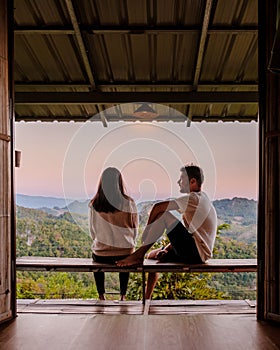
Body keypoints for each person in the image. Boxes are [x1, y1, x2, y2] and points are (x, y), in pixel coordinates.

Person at [116, 164, 217, 299]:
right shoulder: (201, 197)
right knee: (152, 256)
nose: (178, 182)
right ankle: (147, 298)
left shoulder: (194, 198)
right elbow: (191, 232)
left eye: (181, 179)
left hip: (196, 253)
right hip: (194, 251)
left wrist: (147, 231)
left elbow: (158, 207)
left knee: (164, 216)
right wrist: (168, 248)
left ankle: (138, 255)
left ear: (192, 181)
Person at [89, 167, 138, 301]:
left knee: (95, 254)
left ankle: (101, 295)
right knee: (126, 255)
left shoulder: (95, 204)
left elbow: (92, 231)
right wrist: (130, 243)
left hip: (102, 254)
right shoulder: (129, 203)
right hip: (125, 252)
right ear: (119, 183)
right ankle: (123, 295)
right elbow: (134, 229)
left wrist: (101, 242)